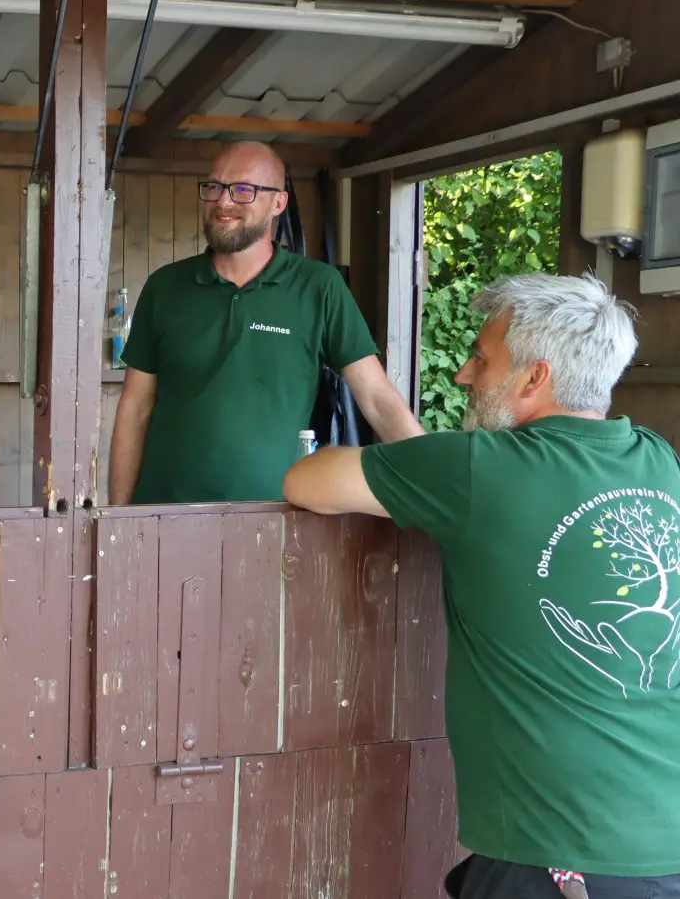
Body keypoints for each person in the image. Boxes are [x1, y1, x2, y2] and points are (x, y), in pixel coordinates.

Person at [284, 273, 680, 898]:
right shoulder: (658, 460)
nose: (464, 374)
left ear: (534, 377)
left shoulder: (478, 468)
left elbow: (305, 481)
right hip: (660, 840)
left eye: (481, 358)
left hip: (558, 860)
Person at [107, 140, 425, 506]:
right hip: (164, 515)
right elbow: (134, 409)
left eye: (243, 189)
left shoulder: (319, 287)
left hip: (276, 518)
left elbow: (376, 397)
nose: (223, 201)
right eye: (214, 187)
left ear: (278, 203)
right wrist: (117, 516)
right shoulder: (165, 287)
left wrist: (438, 477)